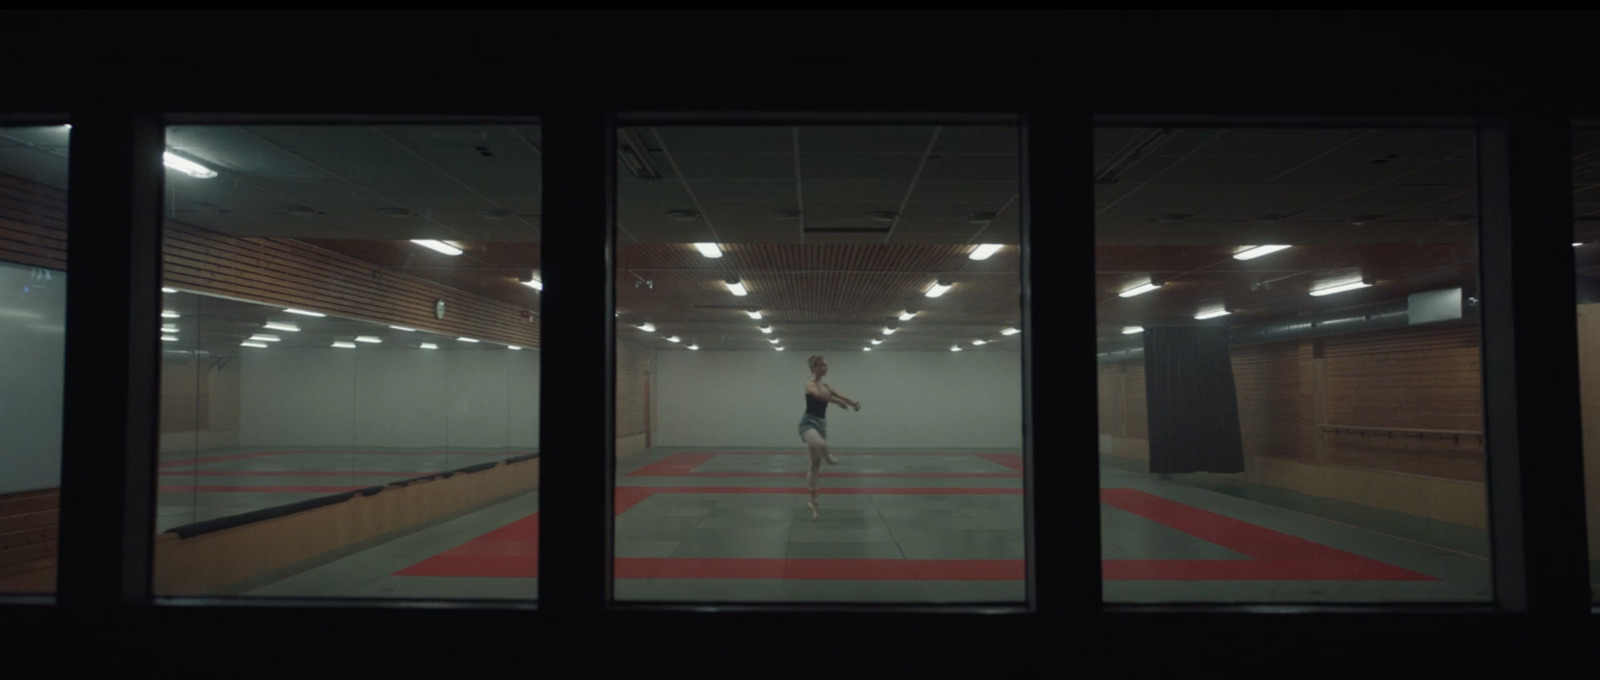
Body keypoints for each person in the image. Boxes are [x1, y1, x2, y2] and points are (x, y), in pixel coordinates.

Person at [799, 355, 860, 520]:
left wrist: (853, 403)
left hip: (821, 425)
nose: (826, 368)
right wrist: (838, 402)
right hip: (808, 424)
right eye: (823, 366)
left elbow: (841, 395)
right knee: (821, 445)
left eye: (826, 365)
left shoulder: (826, 385)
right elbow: (819, 397)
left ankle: (813, 501)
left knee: (814, 466)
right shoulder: (809, 384)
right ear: (815, 368)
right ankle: (828, 455)